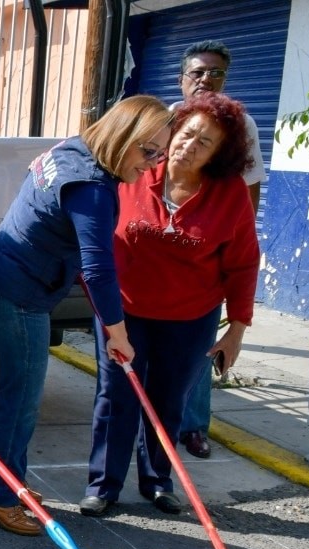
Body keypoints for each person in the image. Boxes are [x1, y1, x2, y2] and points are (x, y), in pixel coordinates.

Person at [0, 94, 172, 535]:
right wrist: (118, 333)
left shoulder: (75, 149)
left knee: (19, 397)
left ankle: (10, 482)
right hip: (19, 294)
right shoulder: (93, 188)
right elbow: (98, 267)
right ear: (122, 137)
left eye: (161, 153)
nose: (153, 164)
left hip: (8, 277)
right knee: (21, 402)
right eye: (147, 151)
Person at [80, 93, 259, 517]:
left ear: (219, 154)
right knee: (116, 395)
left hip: (190, 317)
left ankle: (158, 481)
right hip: (122, 310)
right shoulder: (136, 171)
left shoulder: (228, 193)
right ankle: (103, 485)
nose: (188, 145)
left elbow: (244, 262)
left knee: (168, 400)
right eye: (187, 132)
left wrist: (236, 329)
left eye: (205, 142)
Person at [175, 40, 267, 460]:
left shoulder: (239, 124)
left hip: (209, 254)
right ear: (182, 79)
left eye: (215, 73)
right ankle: (146, 425)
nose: (206, 80)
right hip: (162, 248)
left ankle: (193, 427)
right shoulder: (167, 119)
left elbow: (250, 189)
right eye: (198, 72)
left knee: (200, 346)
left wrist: (235, 247)